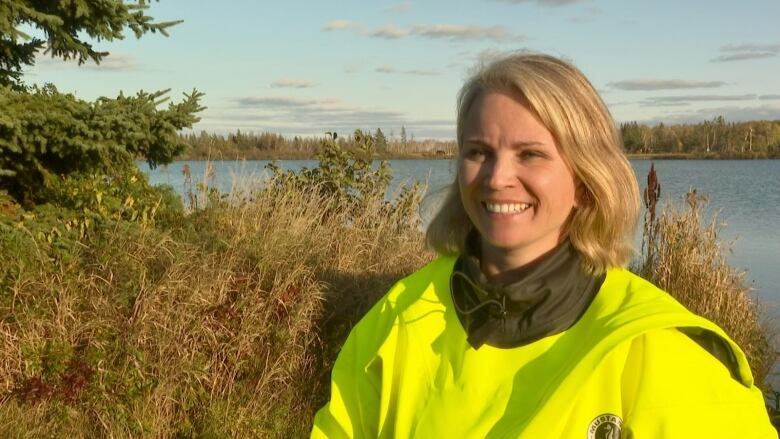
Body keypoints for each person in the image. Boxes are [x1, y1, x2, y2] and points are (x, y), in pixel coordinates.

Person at [310, 53, 776, 438]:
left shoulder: (658, 347)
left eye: (530, 154)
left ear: (585, 177)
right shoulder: (398, 320)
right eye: (479, 152)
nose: (497, 178)